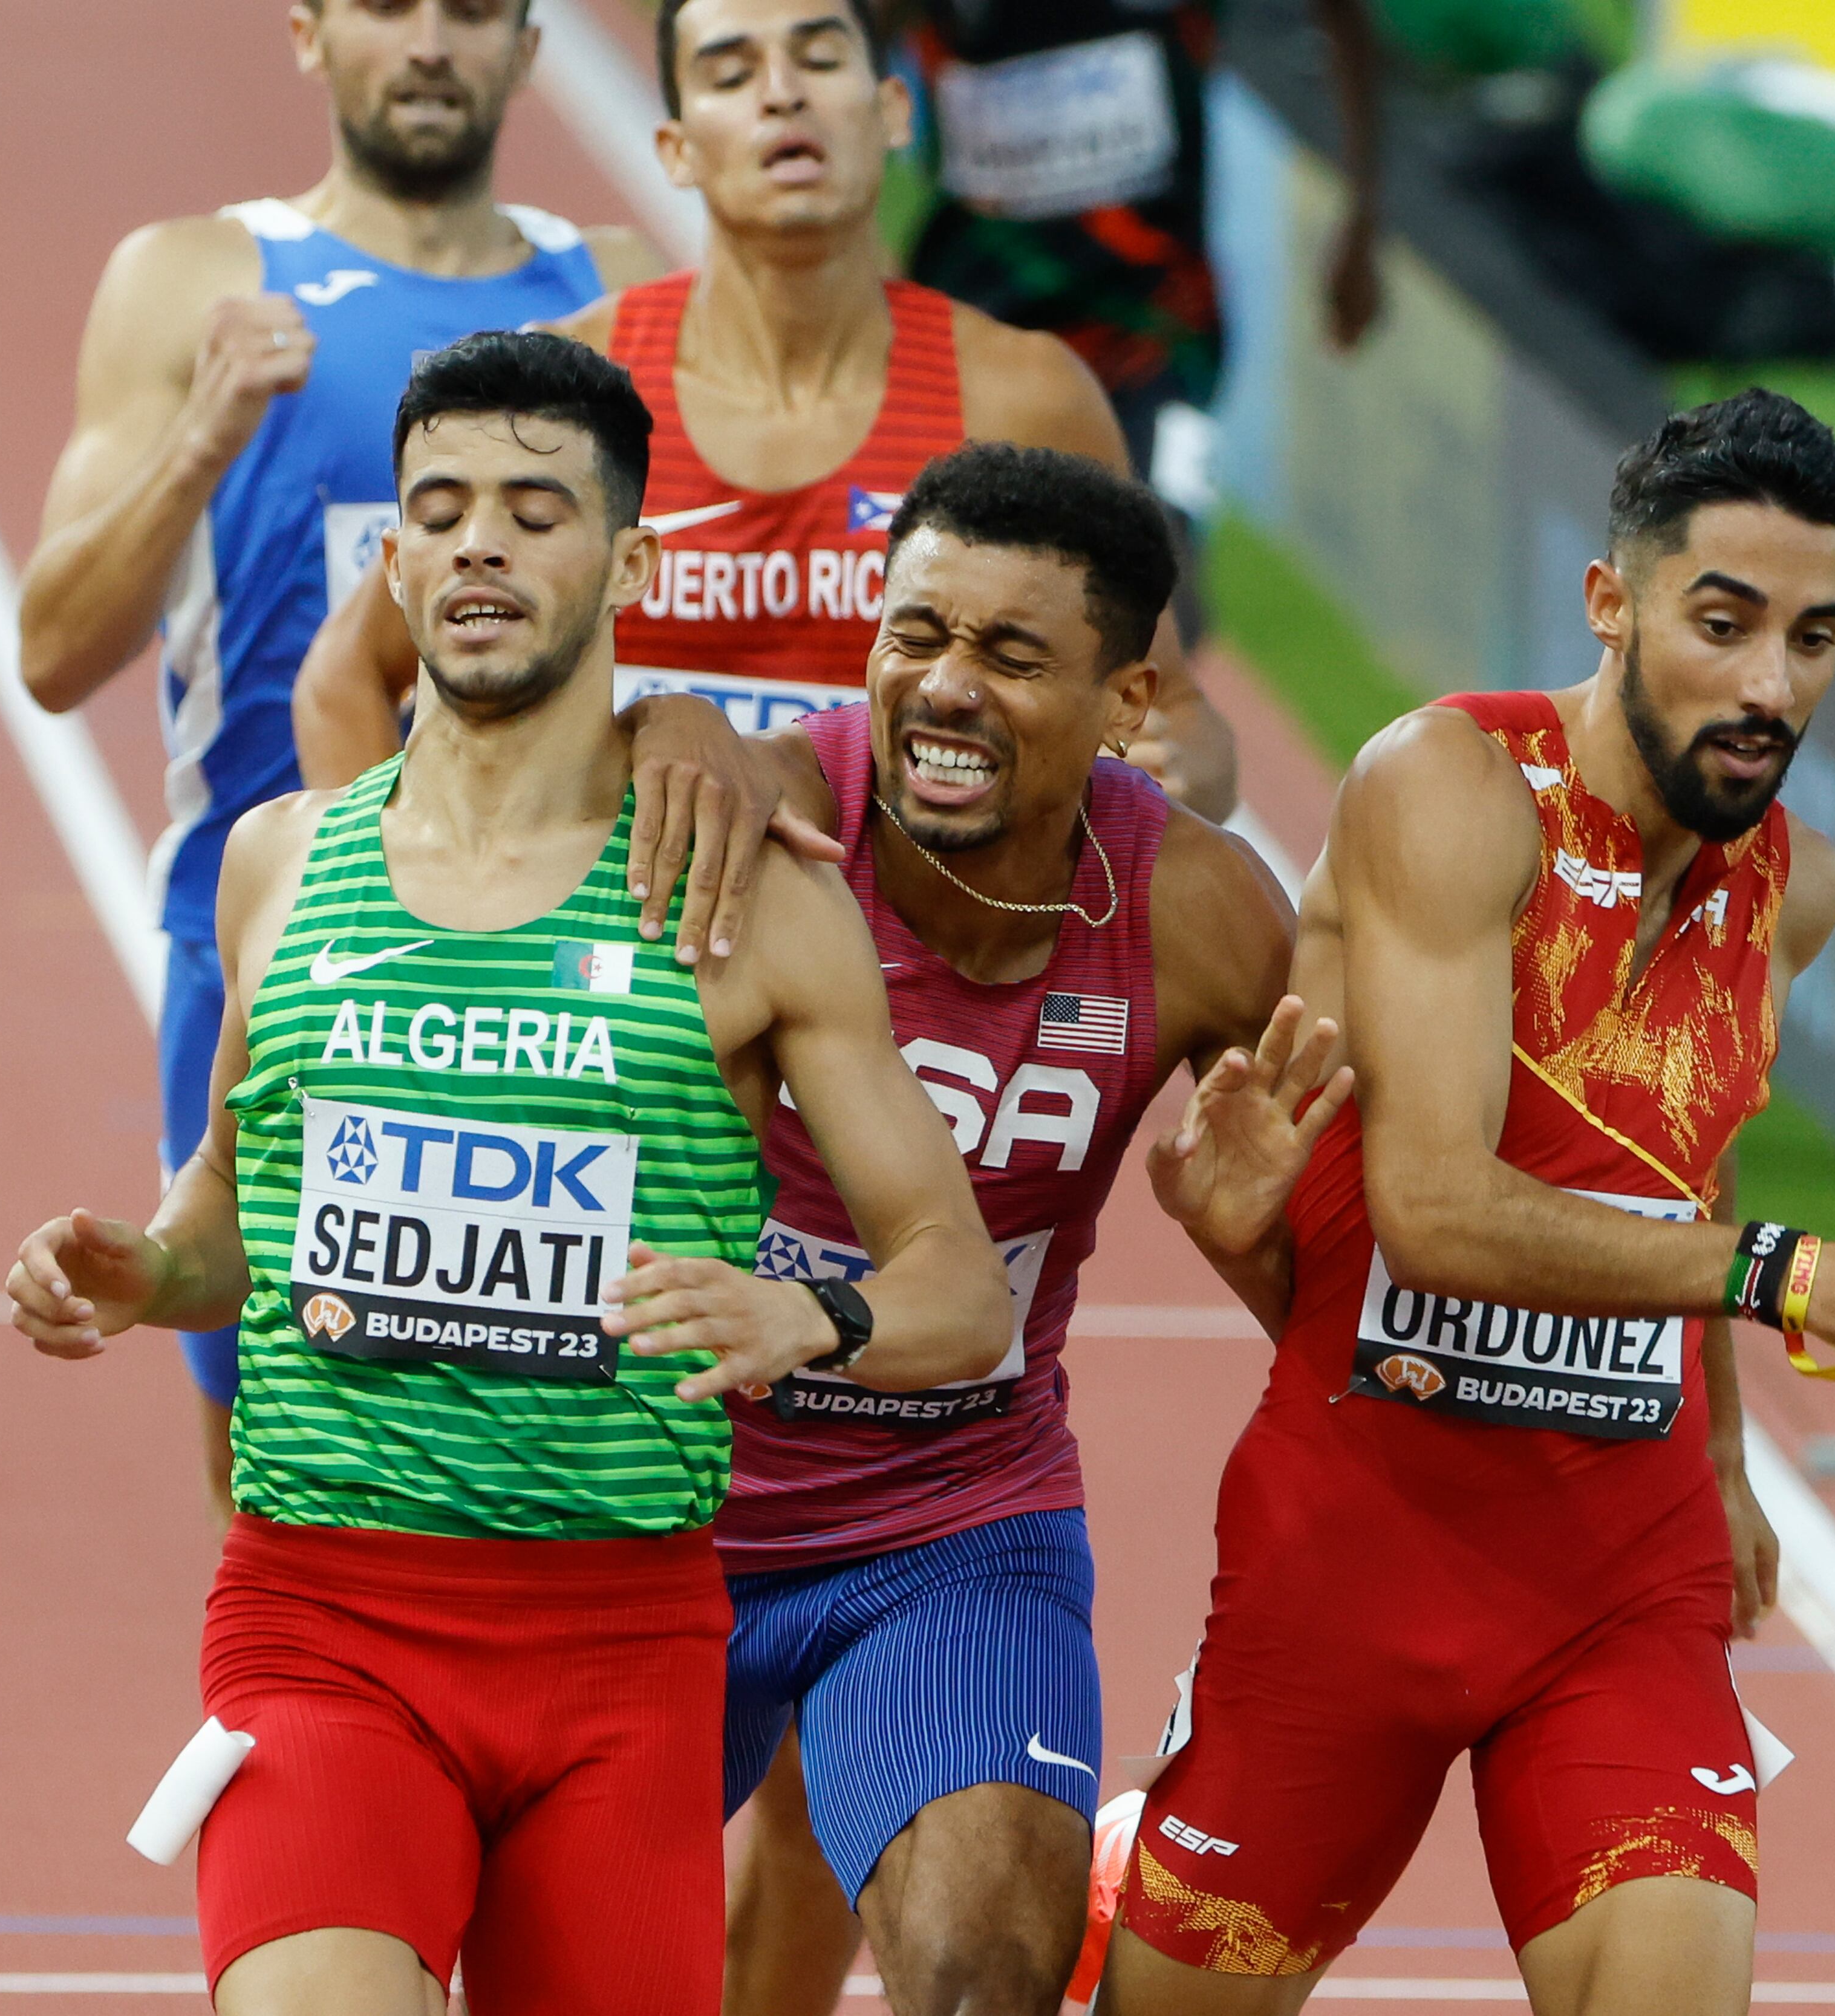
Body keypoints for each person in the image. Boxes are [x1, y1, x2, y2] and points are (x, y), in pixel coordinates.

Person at [2, 331, 1014, 2014]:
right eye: (440, 511)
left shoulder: (750, 902)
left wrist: (808, 1316)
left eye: (535, 513)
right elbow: (228, 1214)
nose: (479, 544)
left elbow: (960, 1290)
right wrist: (149, 1269)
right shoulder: (281, 863)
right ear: (395, 563)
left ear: (628, 564)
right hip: (323, 1615)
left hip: (621, 1650)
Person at [1100, 389, 1835, 2016]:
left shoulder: (1796, 890)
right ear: (1610, 600)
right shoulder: (1454, 786)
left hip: (1620, 1575)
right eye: (1724, 624)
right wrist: (1781, 1276)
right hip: (1356, 1550)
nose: (1772, 686)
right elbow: (1433, 1204)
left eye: (1815, 638)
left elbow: (1694, 1146)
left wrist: (1722, 1454)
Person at [653, 440, 1346, 2016]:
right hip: (663, 1500)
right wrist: (669, 723)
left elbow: (1354, 1303)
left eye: (1013, 655)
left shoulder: (1201, 913)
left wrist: (1246, 1237)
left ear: (1125, 701)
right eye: (916, 634)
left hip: (951, 1520)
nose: (947, 687)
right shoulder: (763, 824)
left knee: (986, 1982)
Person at [16, 0, 666, 1518]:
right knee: (276, 1478)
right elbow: (52, 650)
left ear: (526, 49)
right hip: (275, 957)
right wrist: (206, 430)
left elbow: (692, 615)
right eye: (386, 6)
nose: (428, 41)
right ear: (309, 33)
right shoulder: (196, 280)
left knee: (608, 1458)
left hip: (571, 968)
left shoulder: (621, 291)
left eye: (472, 11)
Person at [293, 0, 1241, 884]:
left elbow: (1174, 715)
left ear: (893, 110)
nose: (782, 93)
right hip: (613, 983)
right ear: (676, 148)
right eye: (732, 72)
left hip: (898, 986)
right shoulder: (567, 392)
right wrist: (391, 921)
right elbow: (347, 676)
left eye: (819, 58)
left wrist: (1173, 775)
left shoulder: (1023, 399)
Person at [895, 0, 1386, 535]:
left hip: (1160, 331)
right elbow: (857, 34)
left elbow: (1344, 16)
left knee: (1162, 548)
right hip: (979, 325)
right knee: (944, 553)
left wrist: (1362, 219)